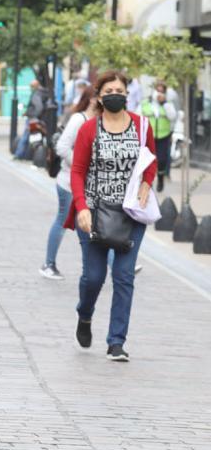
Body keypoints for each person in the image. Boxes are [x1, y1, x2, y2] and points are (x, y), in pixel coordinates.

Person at [64, 70, 156, 362]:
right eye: (110, 90)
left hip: (130, 213)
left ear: (127, 95)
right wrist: (81, 207)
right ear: (100, 96)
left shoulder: (142, 127)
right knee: (94, 277)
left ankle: (117, 341)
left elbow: (151, 161)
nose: (116, 93)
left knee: (124, 276)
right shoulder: (89, 129)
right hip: (93, 212)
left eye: (121, 89)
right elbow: (77, 171)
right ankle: (85, 313)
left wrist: (145, 184)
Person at [41, 86, 98, 280]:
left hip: (88, 184)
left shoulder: (102, 122)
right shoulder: (79, 119)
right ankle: (48, 264)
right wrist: (82, 165)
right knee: (63, 221)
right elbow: (62, 147)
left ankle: (118, 264)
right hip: (68, 182)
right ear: (92, 99)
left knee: (95, 225)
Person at [138, 82, 176, 192]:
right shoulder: (145, 103)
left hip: (163, 136)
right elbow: (138, 116)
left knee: (162, 160)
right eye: (157, 90)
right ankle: (147, 182)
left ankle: (160, 178)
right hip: (148, 136)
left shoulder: (168, 104)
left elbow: (172, 116)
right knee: (148, 160)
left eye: (162, 91)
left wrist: (164, 103)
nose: (159, 93)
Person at [15, 79, 46, 160]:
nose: (30, 88)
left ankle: (19, 155)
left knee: (26, 137)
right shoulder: (42, 93)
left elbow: (39, 107)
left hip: (33, 119)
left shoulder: (36, 94)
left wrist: (32, 114)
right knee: (33, 137)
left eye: (32, 86)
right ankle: (27, 155)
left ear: (36, 85)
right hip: (37, 118)